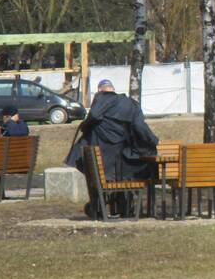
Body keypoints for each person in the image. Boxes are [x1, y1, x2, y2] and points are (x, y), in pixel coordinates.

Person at [65, 79, 159, 218]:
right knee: (138, 167)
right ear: (113, 89)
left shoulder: (99, 104)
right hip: (123, 164)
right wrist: (153, 141)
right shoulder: (130, 104)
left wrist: (86, 125)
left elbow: (93, 117)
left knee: (101, 173)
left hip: (100, 164)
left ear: (100, 91)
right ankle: (125, 205)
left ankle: (101, 204)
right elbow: (140, 127)